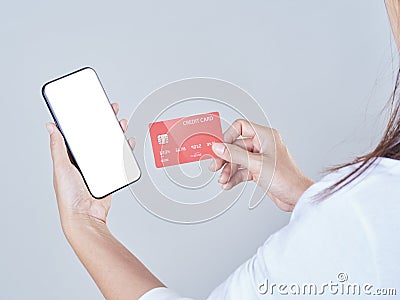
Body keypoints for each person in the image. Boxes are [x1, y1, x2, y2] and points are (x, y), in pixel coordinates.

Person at [45, 1, 400, 299]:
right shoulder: (365, 208)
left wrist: (84, 223)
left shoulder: (364, 209)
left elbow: (366, 239)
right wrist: (309, 198)